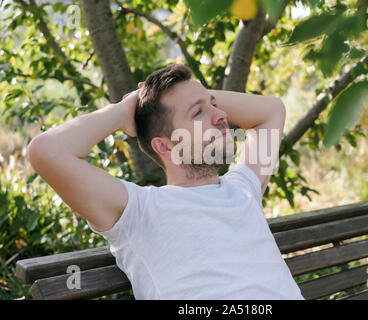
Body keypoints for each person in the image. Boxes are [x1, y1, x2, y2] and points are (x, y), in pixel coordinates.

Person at [26, 64, 304, 300]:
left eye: (215, 106)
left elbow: (272, 110)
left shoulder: (244, 189)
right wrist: (125, 110)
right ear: (165, 146)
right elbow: (46, 152)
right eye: (198, 114)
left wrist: (197, 96)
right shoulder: (137, 211)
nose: (221, 116)